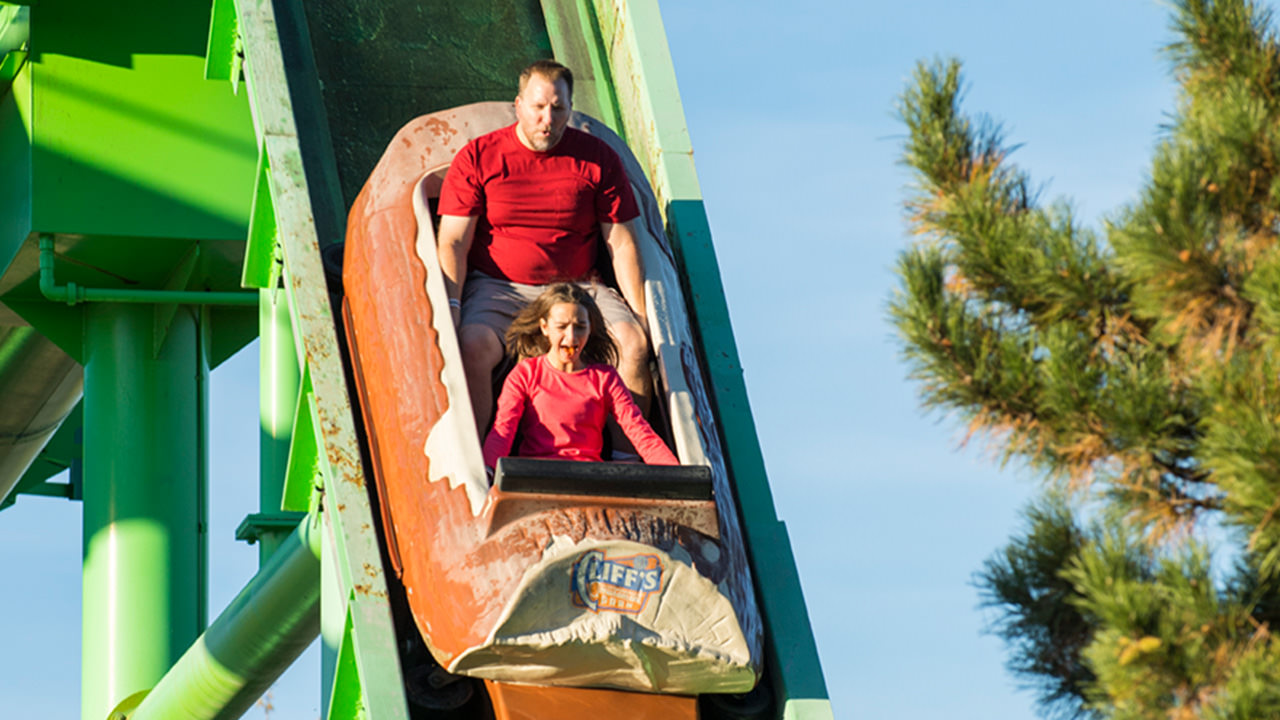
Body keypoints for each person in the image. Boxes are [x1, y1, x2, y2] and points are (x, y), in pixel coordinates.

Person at [436, 59, 652, 434]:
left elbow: (621, 241)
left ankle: (626, 459)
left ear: (569, 110)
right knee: (472, 345)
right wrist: (451, 304)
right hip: (499, 286)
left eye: (558, 108)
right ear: (518, 105)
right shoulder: (479, 156)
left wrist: (641, 316)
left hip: (577, 288)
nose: (547, 119)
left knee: (632, 346)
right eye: (538, 107)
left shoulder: (597, 159)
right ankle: (482, 458)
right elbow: (454, 240)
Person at [482, 284, 677, 470]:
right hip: (537, 477)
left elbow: (637, 428)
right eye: (561, 327)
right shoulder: (526, 373)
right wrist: (488, 470)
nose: (571, 337)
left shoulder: (604, 377)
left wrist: (675, 473)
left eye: (580, 327)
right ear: (544, 327)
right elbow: (503, 429)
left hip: (587, 478)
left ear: (590, 329)